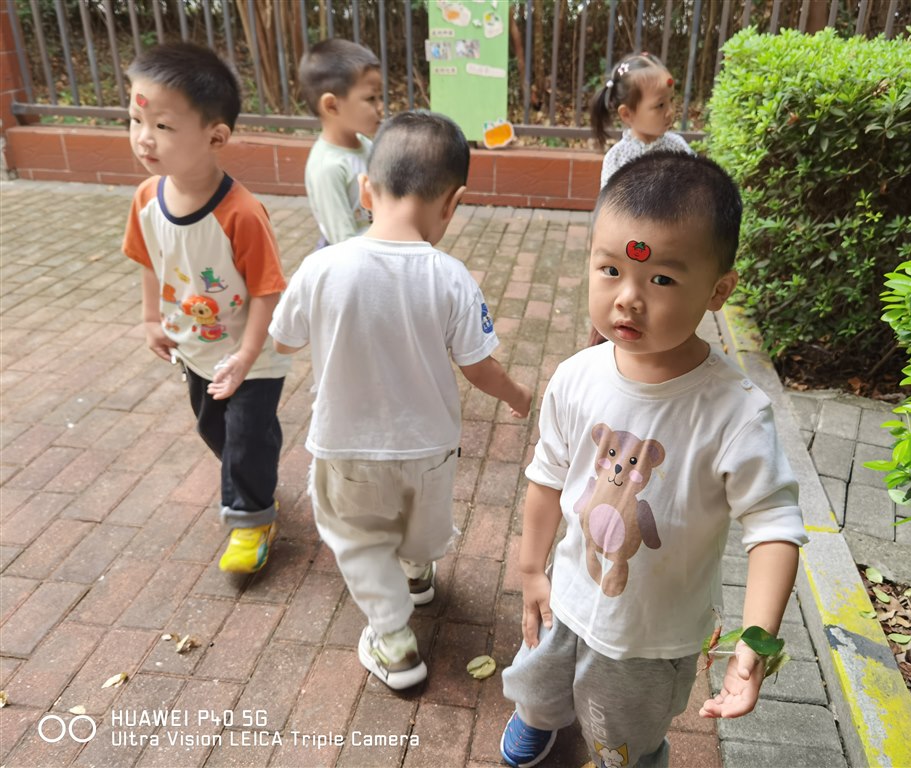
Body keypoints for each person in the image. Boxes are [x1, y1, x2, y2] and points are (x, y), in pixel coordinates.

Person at [498, 151, 808, 768]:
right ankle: (538, 717)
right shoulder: (576, 377)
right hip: (567, 595)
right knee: (538, 680)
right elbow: (547, 477)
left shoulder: (734, 413)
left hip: (649, 639)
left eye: (661, 279)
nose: (628, 299)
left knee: (623, 737)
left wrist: (756, 643)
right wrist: (532, 569)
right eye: (610, 270)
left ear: (718, 290)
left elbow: (774, 527)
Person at [269, 111, 533, 691]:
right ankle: (415, 571)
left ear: (366, 190)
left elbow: (284, 338)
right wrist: (518, 395)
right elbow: (478, 366)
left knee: (360, 538)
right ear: (453, 203)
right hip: (430, 447)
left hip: (348, 448)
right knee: (421, 520)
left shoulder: (322, 267)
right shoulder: (452, 276)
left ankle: (393, 640)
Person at [122, 42, 290, 574]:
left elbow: (266, 290)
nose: (144, 138)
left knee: (243, 436)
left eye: (163, 126)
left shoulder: (241, 213)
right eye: (135, 121)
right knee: (214, 431)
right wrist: (151, 318)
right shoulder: (147, 199)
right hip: (196, 349)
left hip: (252, 356)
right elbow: (148, 259)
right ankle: (255, 468)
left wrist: (247, 354)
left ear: (216, 137)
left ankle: (252, 520)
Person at [298, 38, 383, 247]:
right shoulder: (328, 167)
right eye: (371, 99)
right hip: (350, 258)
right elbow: (342, 242)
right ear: (332, 106)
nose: (381, 107)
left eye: (380, 97)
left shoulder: (365, 144)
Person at [590, 52, 693, 189]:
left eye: (672, 100)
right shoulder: (617, 158)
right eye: (660, 105)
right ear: (627, 114)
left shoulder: (678, 148)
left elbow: (695, 186)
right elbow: (610, 201)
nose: (670, 111)